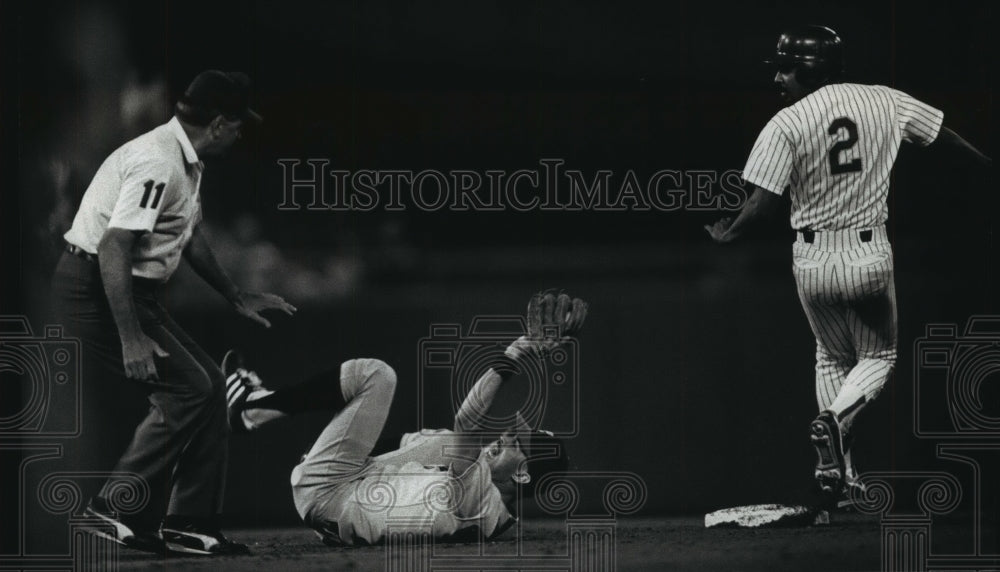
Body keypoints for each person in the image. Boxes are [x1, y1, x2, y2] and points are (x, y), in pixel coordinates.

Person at [704, 26, 991, 505]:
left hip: (812, 259)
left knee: (831, 357)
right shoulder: (885, 100)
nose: (777, 77)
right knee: (878, 358)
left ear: (809, 69)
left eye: (786, 68)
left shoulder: (787, 122)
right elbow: (944, 137)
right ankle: (837, 440)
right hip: (867, 254)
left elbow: (762, 204)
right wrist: (988, 166)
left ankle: (837, 474)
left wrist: (729, 234)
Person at [51, 70, 297, 555]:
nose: (241, 134)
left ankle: (189, 522)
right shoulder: (159, 161)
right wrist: (131, 338)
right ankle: (111, 506)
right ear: (219, 124)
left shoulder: (182, 157)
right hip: (94, 286)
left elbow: (190, 236)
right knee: (189, 389)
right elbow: (114, 247)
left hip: (130, 289)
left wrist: (234, 294)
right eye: (238, 124)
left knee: (209, 386)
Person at [223, 291, 586, 545]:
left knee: (376, 375)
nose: (504, 437)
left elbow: (468, 418)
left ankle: (250, 408)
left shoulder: (483, 504)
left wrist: (517, 351)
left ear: (522, 474)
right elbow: (400, 445)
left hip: (331, 496)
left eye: (515, 443)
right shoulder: (473, 481)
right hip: (336, 501)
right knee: (442, 442)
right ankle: (255, 408)